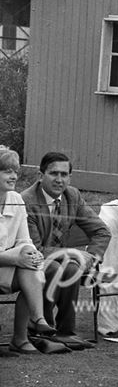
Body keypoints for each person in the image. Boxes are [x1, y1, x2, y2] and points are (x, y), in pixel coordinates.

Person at [21, 151, 111, 350]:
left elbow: (102, 231)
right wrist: (74, 254)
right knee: (56, 267)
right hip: (27, 260)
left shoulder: (73, 196)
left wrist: (91, 258)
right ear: (40, 175)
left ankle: (66, 332)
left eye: (64, 174)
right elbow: (36, 249)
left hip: (60, 260)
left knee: (70, 268)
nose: (59, 180)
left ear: (70, 177)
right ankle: (42, 330)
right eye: (54, 174)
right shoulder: (26, 200)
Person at [0, 148, 63, 355]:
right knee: (27, 265)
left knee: (33, 265)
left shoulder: (16, 199)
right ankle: (37, 321)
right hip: (5, 264)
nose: (13, 176)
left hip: (5, 268)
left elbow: (24, 240)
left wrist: (30, 252)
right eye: (6, 171)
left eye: (15, 171)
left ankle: (28, 330)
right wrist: (16, 257)